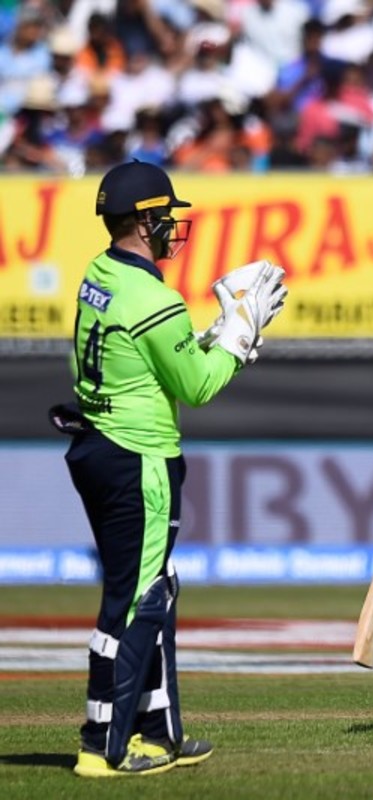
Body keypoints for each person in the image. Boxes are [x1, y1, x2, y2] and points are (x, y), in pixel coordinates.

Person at [56, 160, 287, 776]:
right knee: (137, 599)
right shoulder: (154, 298)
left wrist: (210, 336)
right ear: (141, 222)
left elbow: (154, 357)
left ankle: (158, 733)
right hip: (139, 458)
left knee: (156, 588)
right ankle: (102, 746)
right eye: (164, 217)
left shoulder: (99, 274)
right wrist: (237, 338)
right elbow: (198, 386)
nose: (171, 229)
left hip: (101, 444)